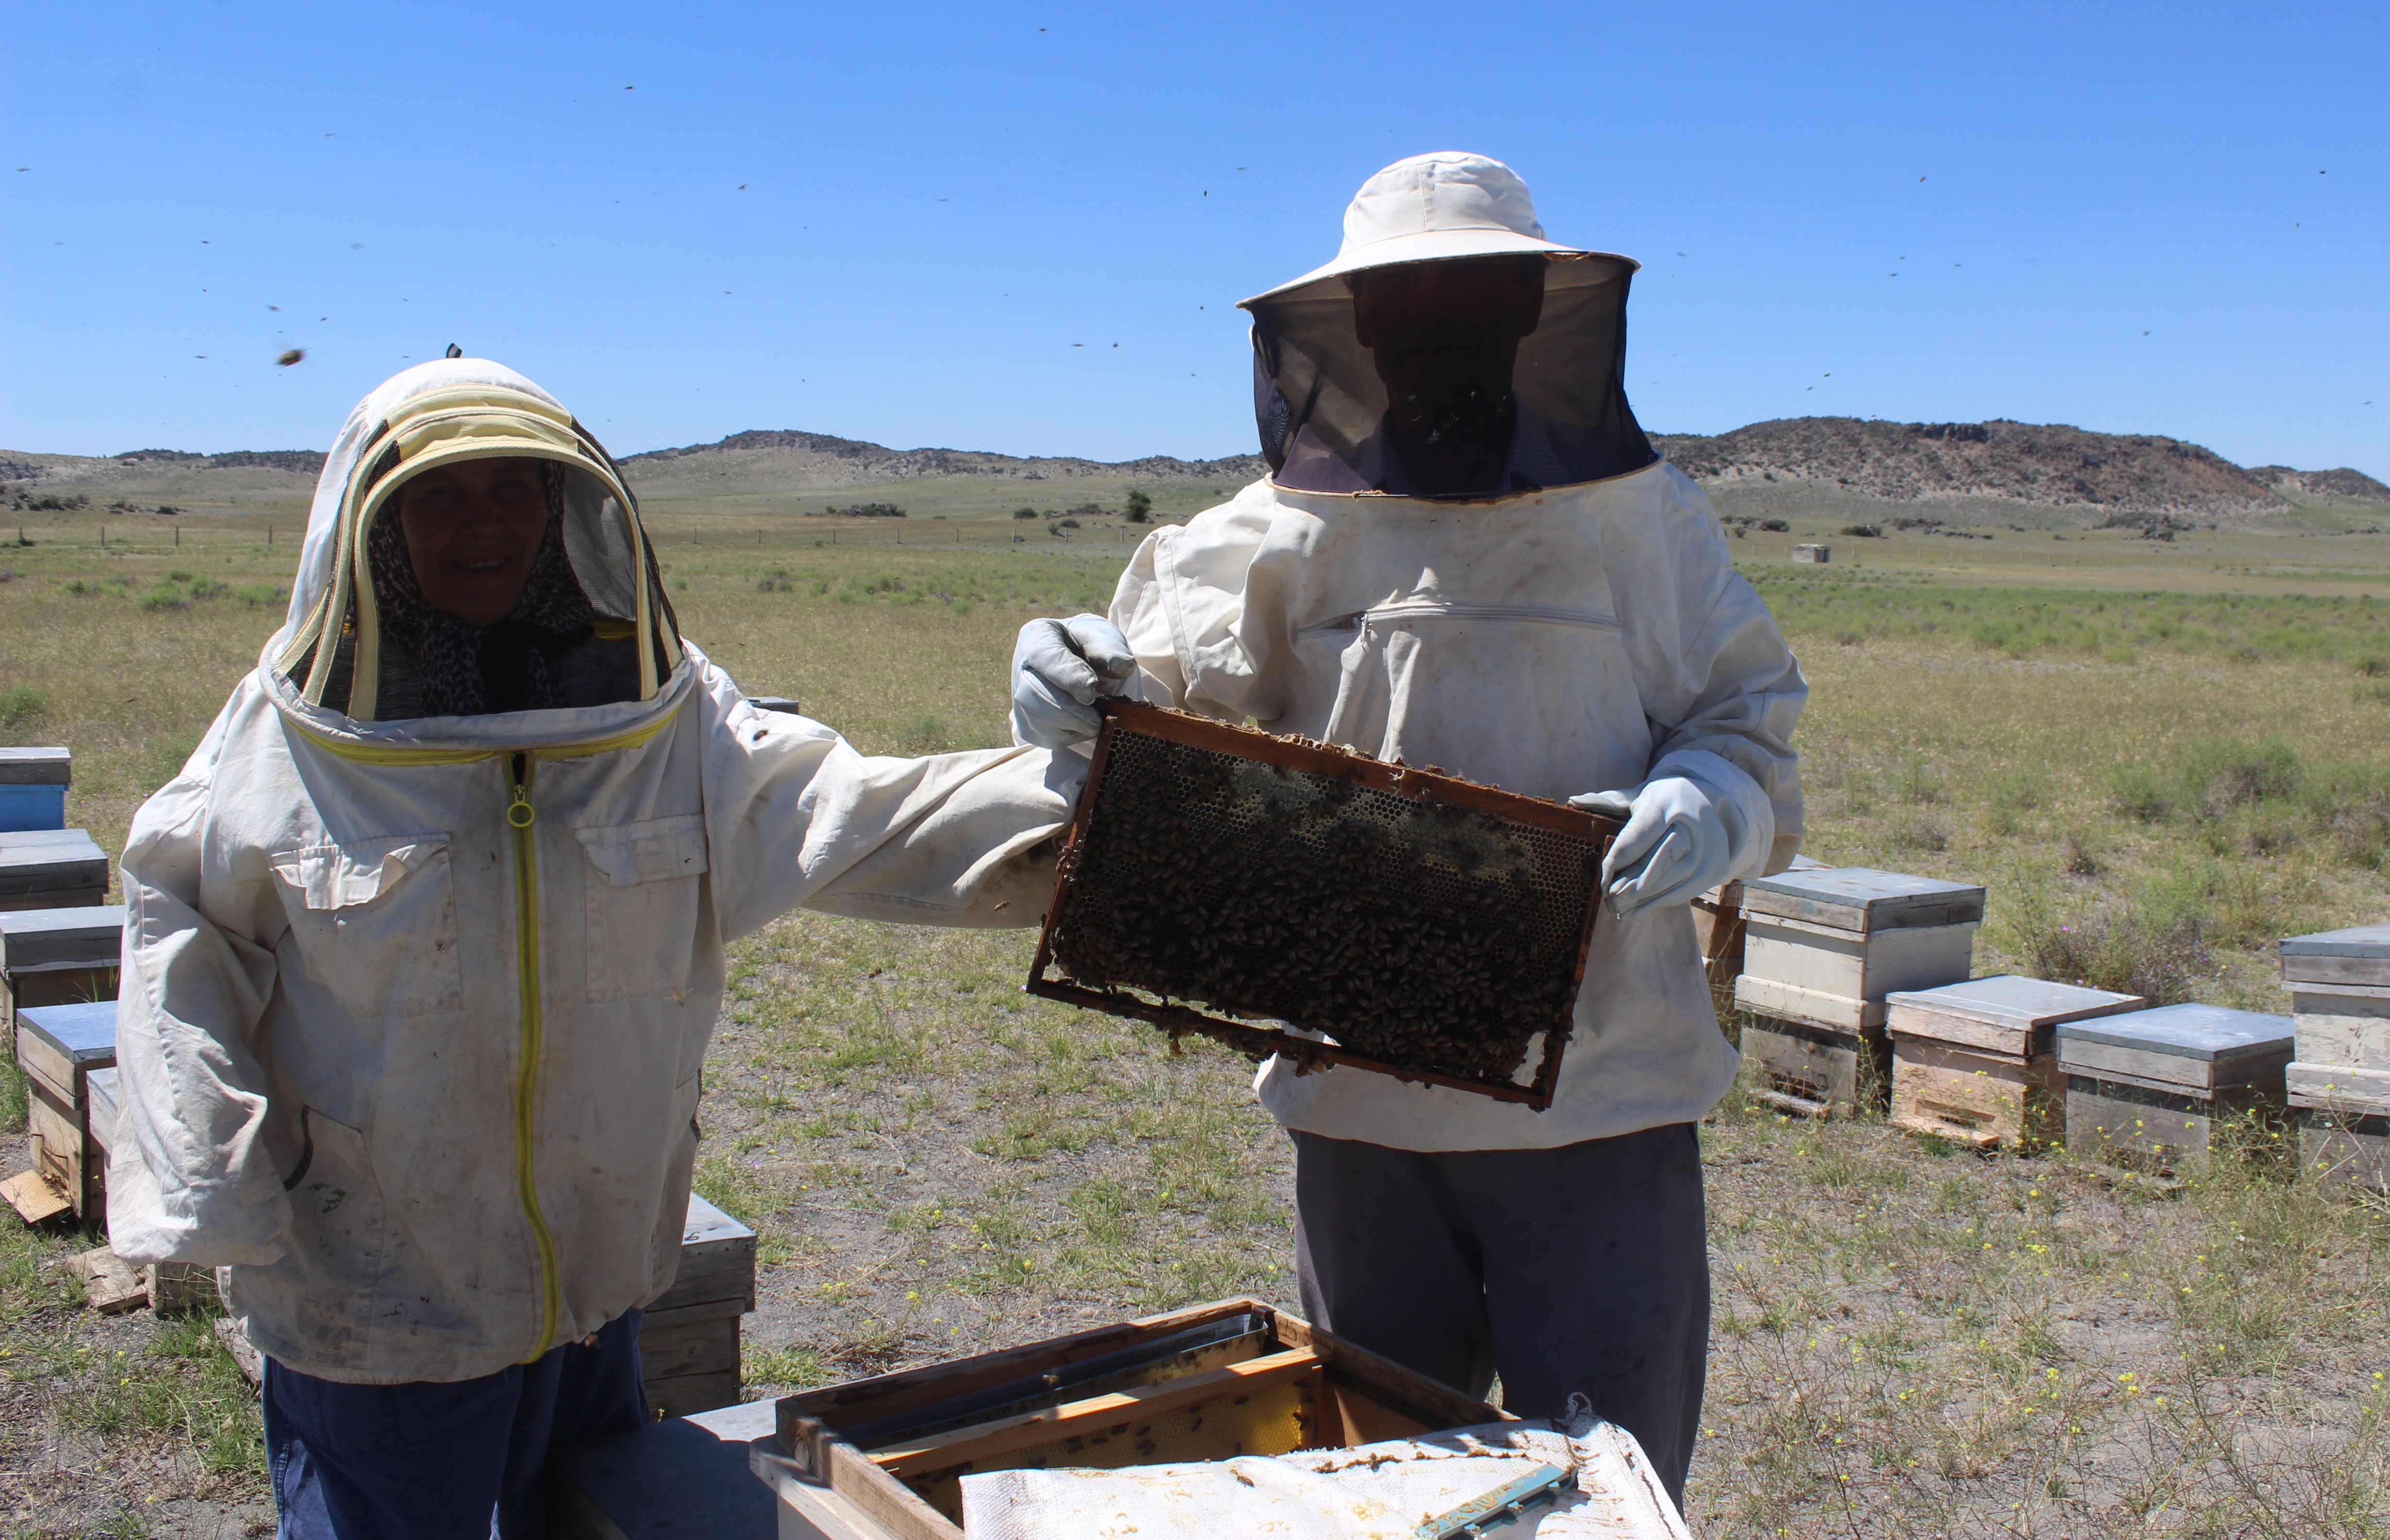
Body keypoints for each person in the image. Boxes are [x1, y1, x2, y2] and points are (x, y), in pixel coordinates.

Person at [108, 355, 1083, 1539]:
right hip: (378, 1296)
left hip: (597, 1278)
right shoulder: (286, 745)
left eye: (516, 491)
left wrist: (1084, 788)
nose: (486, 524)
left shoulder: (664, 715)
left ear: (567, 510)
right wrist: (216, 1194)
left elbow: (855, 819)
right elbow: (179, 951)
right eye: (442, 498)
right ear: (372, 524)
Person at [1010, 152, 1806, 1507]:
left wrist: (1709, 804)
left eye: (1470, 298)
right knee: (1371, 1494)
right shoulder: (1271, 529)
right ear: (1355, 324)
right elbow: (1167, 731)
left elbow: (1748, 722)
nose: (1435, 329)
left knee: (1605, 1494)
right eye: (1405, 302)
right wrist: (1077, 692)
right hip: (1360, 1105)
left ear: (1527, 313)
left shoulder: (1640, 519)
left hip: (1604, 1103)